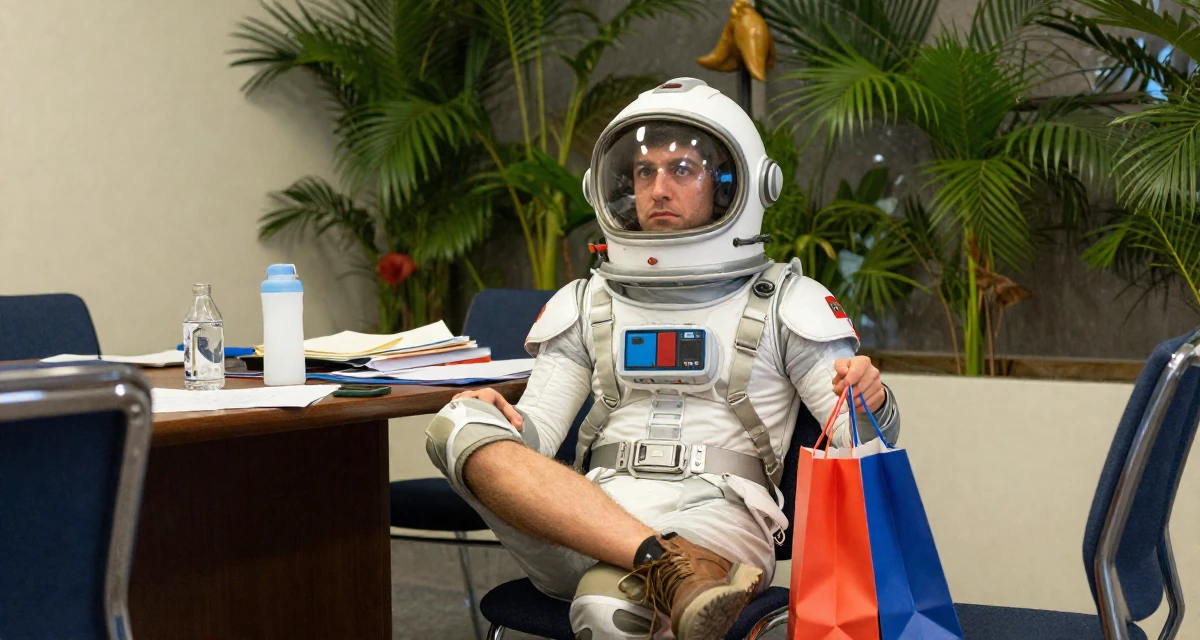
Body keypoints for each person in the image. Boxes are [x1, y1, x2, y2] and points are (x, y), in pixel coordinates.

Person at [425, 77, 901, 640]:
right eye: (644, 172)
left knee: (612, 609)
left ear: (734, 186)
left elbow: (858, 441)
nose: (658, 188)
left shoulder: (786, 302)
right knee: (458, 421)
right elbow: (536, 436)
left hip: (719, 518)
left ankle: (665, 568)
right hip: (587, 517)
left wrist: (869, 399)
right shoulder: (587, 302)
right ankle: (664, 565)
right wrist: (500, 420)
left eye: (682, 169)